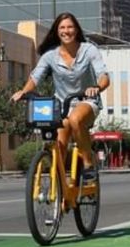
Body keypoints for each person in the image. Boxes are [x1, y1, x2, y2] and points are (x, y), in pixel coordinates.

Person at [11, 12, 110, 178]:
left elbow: (104, 76)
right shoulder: (50, 56)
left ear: (77, 30)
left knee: (75, 120)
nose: (66, 31)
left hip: (87, 101)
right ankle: (59, 187)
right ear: (57, 32)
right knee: (60, 142)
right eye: (62, 28)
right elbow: (35, 77)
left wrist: (96, 87)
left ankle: (87, 163)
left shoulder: (89, 50)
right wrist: (23, 91)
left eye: (70, 27)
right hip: (62, 105)